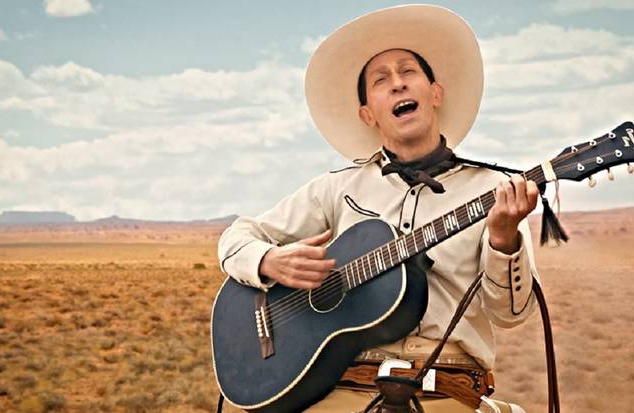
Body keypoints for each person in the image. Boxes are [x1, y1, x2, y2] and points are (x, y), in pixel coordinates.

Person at [218, 5, 540, 412]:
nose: (397, 85)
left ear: (434, 93)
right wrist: (269, 260)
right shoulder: (337, 188)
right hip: (343, 385)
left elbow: (512, 313)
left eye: (409, 73)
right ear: (368, 114)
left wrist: (504, 240)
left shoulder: (492, 191)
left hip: (446, 386)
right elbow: (236, 237)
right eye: (381, 80)